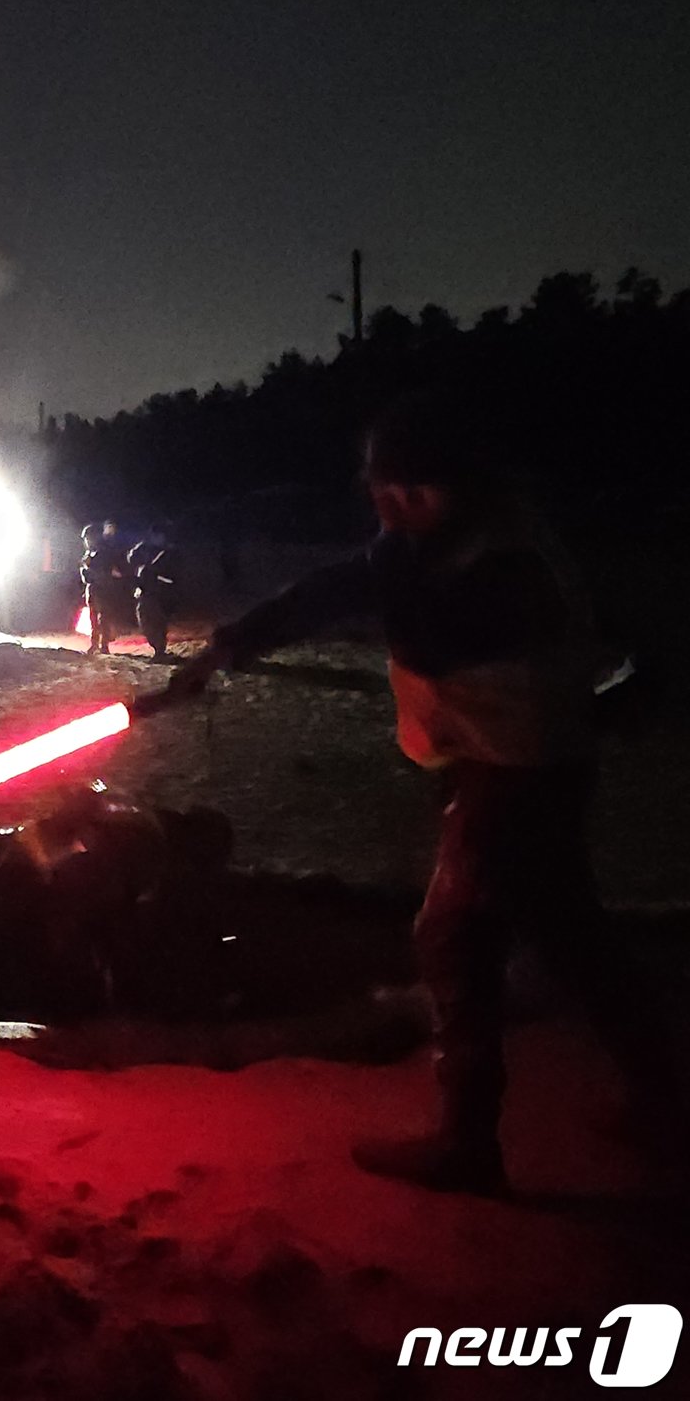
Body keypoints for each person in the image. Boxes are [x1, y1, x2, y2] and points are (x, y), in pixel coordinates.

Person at [167, 391, 681, 1196]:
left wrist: (632, 687)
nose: (397, 507)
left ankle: (468, 1141)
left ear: (462, 484)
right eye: (384, 491)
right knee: (573, 934)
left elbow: (433, 635)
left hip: (519, 770)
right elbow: (330, 589)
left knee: (451, 932)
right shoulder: (436, 543)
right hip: (513, 761)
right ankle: (664, 1098)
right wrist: (230, 643)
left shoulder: (500, 556)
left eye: (416, 492)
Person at [128, 524, 182, 661]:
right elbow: (132, 559)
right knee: (149, 622)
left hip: (159, 592)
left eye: (160, 536)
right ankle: (159, 650)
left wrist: (155, 574)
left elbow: (172, 574)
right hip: (147, 591)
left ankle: (159, 651)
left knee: (155, 622)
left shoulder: (168, 552)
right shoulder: (144, 549)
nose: (158, 538)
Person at [79, 523, 119, 655]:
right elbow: (86, 576)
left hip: (102, 589)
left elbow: (105, 572)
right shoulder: (89, 553)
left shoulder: (103, 552)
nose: (87, 541)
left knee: (103, 618)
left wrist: (89, 567)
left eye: (88, 538)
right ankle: (95, 644)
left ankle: (104, 645)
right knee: (93, 618)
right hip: (93, 589)